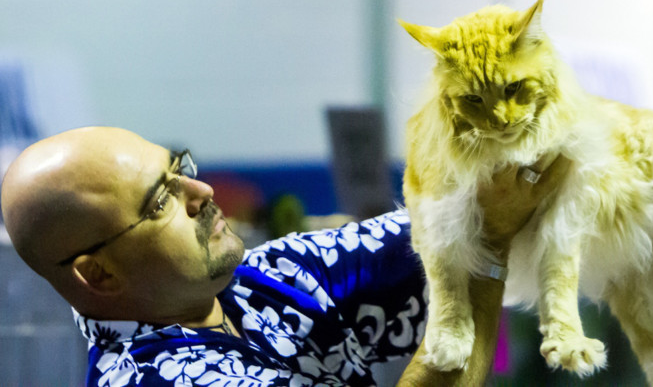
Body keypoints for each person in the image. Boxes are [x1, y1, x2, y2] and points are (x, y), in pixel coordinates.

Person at [0, 126, 569, 386]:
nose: (201, 193)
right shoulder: (155, 378)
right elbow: (478, 239)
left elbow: (433, 233)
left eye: (181, 169)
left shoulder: (257, 281)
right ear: (98, 273)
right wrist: (487, 246)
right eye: (160, 201)